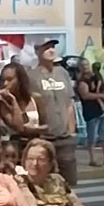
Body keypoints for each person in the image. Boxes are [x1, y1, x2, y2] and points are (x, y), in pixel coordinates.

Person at [29, 40, 79, 186]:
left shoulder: (62, 73)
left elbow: (69, 103)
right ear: (38, 52)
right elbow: (32, 106)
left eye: (53, 47)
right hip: (45, 138)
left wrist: (72, 131)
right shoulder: (32, 76)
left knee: (69, 181)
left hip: (64, 138)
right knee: (45, 181)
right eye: (46, 48)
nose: (51, 50)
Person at [76, 59, 104, 167]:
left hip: (102, 110)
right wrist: (100, 96)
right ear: (80, 67)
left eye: (87, 65)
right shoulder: (81, 81)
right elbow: (85, 95)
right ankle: (92, 159)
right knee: (92, 137)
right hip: (91, 111)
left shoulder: (96, 77)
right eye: (83, 65)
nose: (86, 67)